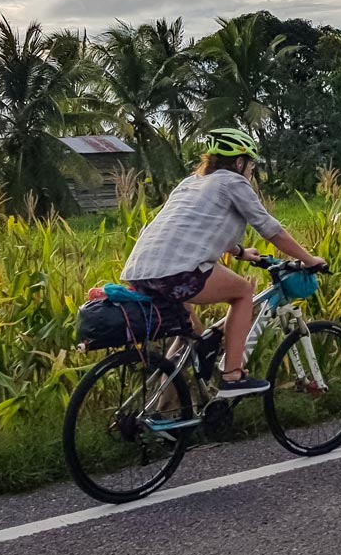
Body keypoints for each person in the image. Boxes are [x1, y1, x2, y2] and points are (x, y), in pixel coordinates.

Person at [120, 127, 326, 397]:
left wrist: (241, 252)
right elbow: (271, 229)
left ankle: (164, 416)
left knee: (191, 338)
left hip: (140, 272)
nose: (251, 171)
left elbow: (196, 227)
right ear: (240, 162)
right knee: (243, 293)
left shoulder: (190, 182)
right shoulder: (234, 182)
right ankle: (232, 376)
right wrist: (310, 260)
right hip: (177, 274)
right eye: (251, 164)